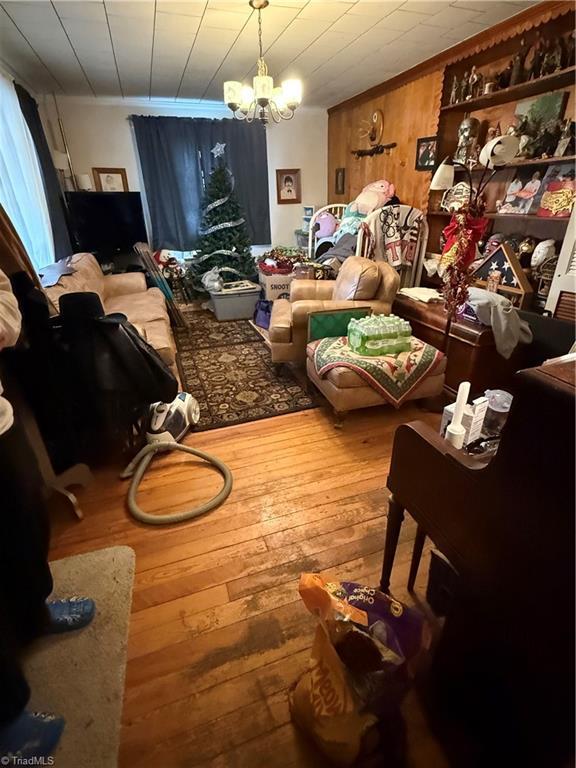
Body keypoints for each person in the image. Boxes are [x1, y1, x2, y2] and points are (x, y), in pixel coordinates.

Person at [0, 268, 95, 761]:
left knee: (26, 524)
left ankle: (34, 612)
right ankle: (7, 721)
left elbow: (7, 323)